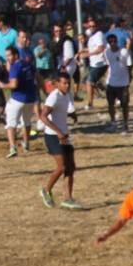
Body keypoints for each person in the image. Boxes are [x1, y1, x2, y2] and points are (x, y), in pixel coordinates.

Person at [38, 73, 82, 210]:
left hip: (64, 135)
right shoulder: (54, 96)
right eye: (64, 83)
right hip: (53, 136)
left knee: (70, 167)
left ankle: (68, 198)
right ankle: (46, 190)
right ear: (57, 84)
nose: (67, 85)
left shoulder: (66, 95)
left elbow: (62, 111)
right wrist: (58, 132)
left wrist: (72, 114)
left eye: (68, 83)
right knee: (62, 167)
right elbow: (43, 116)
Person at [0, 46, 36, 158]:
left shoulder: (15, 66)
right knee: (27, 122)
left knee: (11, 123)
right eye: (6, 56)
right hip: (30, 98)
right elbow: (36, 76)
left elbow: (14, 84)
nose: (7, 58)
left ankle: (12, 147)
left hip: (18, 98)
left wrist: (3, 85)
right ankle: (26, 144)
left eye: (9, 55)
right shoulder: (28, 64)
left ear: (16, 55)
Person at [102, 33, 133, 131]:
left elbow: (129, 65)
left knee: (124, 105)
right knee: (111, 104)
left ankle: (125, 123)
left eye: (114, 41)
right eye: (110, 42)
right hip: (111, 82)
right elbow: (107, 65)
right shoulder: (106, 53)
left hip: (123, 83)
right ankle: (113, 123)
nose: (113, 43)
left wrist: (129, 77)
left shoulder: (124, 52)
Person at [84, 16, 108, 110]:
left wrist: (87, 54)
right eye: (90, 26)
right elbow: (93, 47)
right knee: (96, 83)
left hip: (100, 62)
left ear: (97, 26)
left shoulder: (98, 35)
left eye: (93, 26)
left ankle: (90, 104)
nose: (91, 27)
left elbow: (101, 48)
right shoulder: (92, 35)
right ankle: (114, 96)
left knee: (89, 82)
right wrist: (84, 50)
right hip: (94, 63)